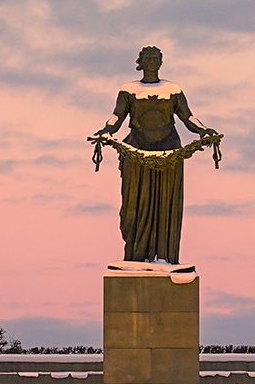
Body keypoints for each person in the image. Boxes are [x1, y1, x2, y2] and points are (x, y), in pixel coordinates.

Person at [90, 45, 220, 263]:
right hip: (137, 152)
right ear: (140, 62)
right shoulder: (128, 90)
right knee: (134, 206)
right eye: (148, 58)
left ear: (161, 62)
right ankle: (137, 255)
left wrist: (203, 130)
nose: (152, 61)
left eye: (156, 58)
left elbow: (188, 117)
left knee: (165, 204)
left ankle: (164, 257)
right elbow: (116, 118)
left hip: (169, 152)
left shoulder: (174, 90)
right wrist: (105, 131)